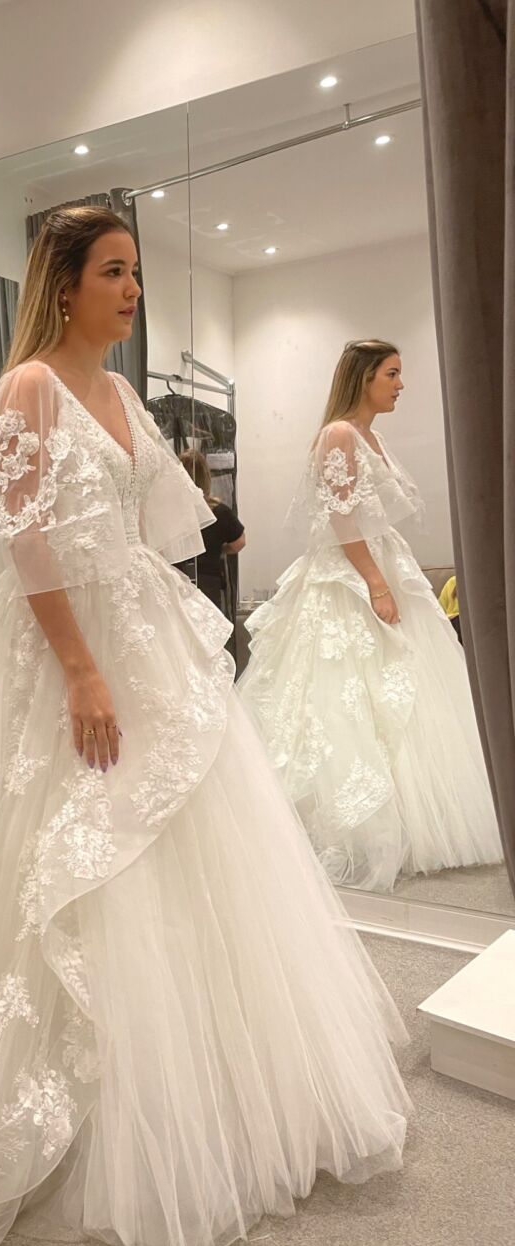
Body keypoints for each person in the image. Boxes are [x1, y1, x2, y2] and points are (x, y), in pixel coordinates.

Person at [0, 211, 410, 1246]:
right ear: (64, 284)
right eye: (113, 272)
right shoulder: (27, 386)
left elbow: (158, 520)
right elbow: (25, 541)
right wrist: (81, 667)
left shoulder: (120, 393)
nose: (132, 290)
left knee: (180, 846)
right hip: (57, 645)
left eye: (135, 272)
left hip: (137, 621)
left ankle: (193, 1078)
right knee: (57, 849)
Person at [239, 340, 502, 892]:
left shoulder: (369, 436)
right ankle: (350, 826)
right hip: (351, 575)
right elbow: (342, 519)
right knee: (344, 693)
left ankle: (412, 818)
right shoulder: (338, 434)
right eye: (392, 374)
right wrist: (375, 583)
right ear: (363, 377)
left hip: (381, 562)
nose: (400, 385)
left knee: (401, 686)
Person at [173, 448, 245, 612]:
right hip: (209, 581)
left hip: (177, 579)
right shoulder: (219, 511)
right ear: (206, 477)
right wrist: (220, 549)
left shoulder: (170, 512)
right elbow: (239, 543)